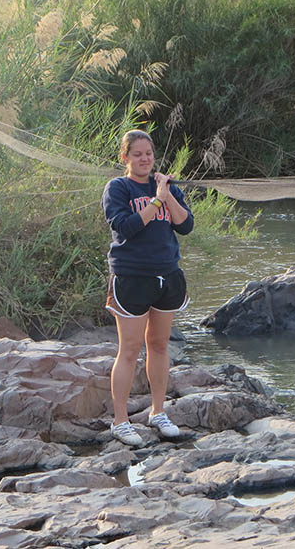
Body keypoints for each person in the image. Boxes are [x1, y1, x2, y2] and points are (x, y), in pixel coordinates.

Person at [102, 129, 194, 446]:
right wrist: (156, 200)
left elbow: (186, 225)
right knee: (129, 349)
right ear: (125, 157)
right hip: (132, 276)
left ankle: (158, 412)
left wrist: (167, 196)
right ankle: (120, 420)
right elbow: (126, 227)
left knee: (159, 345)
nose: (144, 159)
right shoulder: (118, 187)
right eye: (138, 154)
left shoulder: (167, 187)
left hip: (166, 274)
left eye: (149, 154)